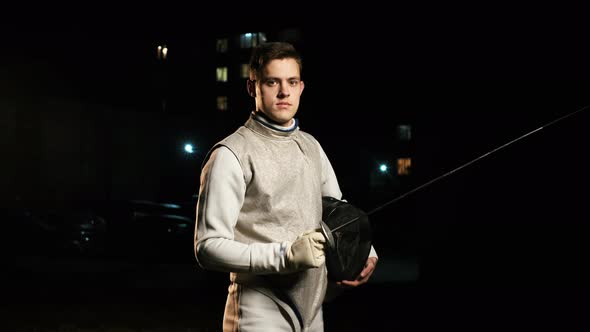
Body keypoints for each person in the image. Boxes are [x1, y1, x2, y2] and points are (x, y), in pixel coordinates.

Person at [194, 41, 378, 332]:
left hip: (312, 309)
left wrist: (364, 250)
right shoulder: (231, 154)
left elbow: (337, 211)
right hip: (259, 309)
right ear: (252, 87)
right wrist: (285, 256)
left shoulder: (311, 146)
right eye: (272, 82)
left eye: (291, 82)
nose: (284, 92)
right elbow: (207, 248)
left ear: (301, 87)